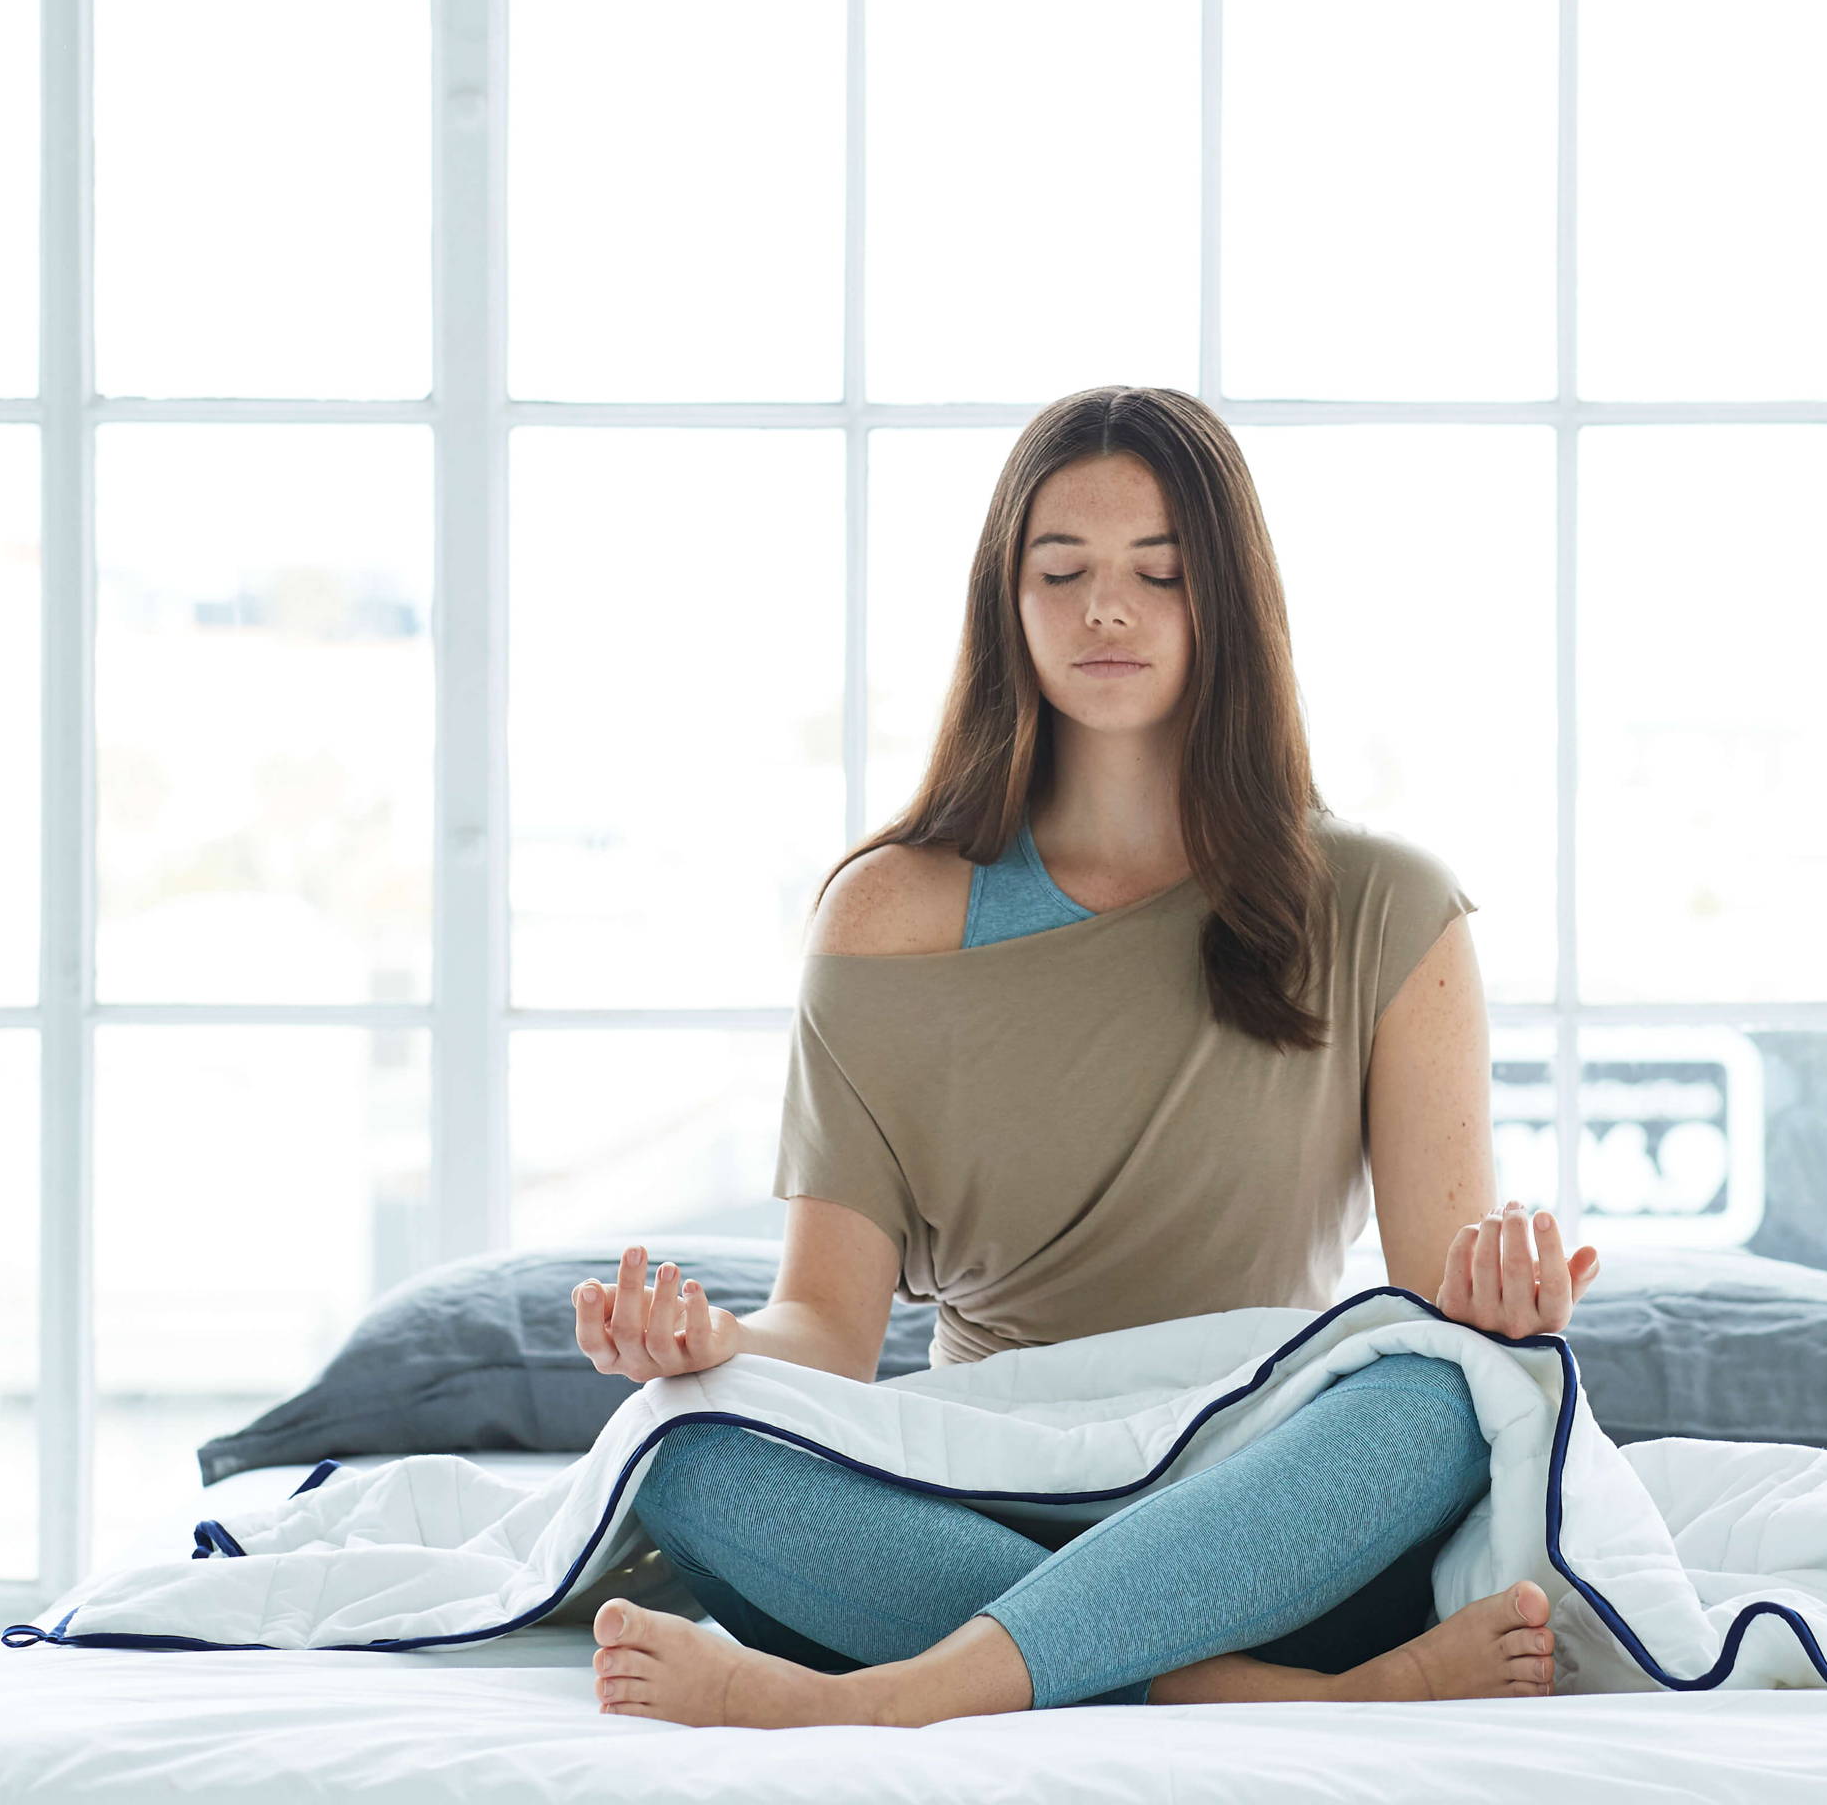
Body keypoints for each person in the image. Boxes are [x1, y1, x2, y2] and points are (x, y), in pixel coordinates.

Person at [571, 385, 1599, 1730]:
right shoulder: (889, 915)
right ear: (1011, 603)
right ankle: (1262, 1690)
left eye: (1159, 575)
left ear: (1226, 606)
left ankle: (895, 1700)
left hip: (1262, 1500)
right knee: (676, 1453)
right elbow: (827, 1324)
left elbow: (1433, 1304)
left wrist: (1506, 1305)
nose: (1107, 610)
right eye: (1064, 572)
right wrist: (714, 1346)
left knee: (1444, 1397)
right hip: (979, 1481)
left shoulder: (1388, 907)